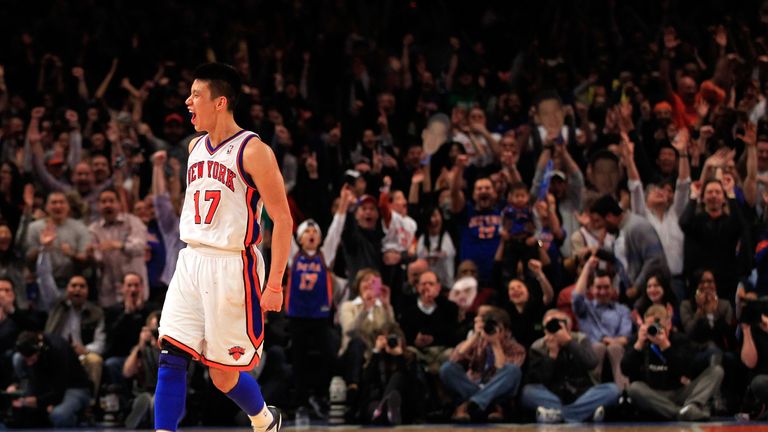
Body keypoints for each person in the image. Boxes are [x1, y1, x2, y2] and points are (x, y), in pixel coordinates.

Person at [155, 63, 292, 432]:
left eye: (195, 95)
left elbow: (282, 219)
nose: (188, 101)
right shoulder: (194, 146)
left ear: (220, 102)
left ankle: (264, 420)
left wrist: (275, 283)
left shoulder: (254, 150)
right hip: (191, 259)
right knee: (170, 355)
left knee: (223, 377)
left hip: (233, 265)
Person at [622, 305, 724, 421]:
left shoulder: (680, 340)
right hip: (653, 395)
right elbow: (625, 369)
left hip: (680, 391)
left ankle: (692, 405)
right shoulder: (639, 341)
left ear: (669, 325)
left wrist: (666, 346)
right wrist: (639, 344)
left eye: (658, 326)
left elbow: (686, 370)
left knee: (716, 371)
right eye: (650, 326)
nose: (654, 330)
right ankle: (681, 412)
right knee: (634, 388)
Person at [521, 309, 620, 423]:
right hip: (552, 395)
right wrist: (552, 354)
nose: (554, 329)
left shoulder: (579, 339)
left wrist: (569, 342)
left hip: (582, 393)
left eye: (557, 324)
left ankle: (558, 415)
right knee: (527, 392)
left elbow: (591, 363)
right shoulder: (538, 347)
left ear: (568, 326)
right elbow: (540, 379)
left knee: (612, 390)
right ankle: (583, 415)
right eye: (549, 326)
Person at [440, 305, 525, 422]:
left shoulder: (516, 349)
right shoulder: (477, 341)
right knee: (447, 368)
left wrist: (495, 344)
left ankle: (468, 405)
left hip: (497, 390)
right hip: (471, 386)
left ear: (507, 331)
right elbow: (454, 359)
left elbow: (502, 370)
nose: (492, 330)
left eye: (497, 328)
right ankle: (489, 406)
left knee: (513, 371)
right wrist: (475, 335)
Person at [572, 255, 632, 389]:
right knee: (598, 347)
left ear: (612, 289)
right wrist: (587, 268)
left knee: (615, 348)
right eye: (598, 287)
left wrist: (607, 341)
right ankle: (592, 392)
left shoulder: (622, 310)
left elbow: (625, 338)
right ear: (591, 289)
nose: (603, 291)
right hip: (592, 353)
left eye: (606, 287)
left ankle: (624, 394)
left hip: (616, 353)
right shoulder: (585, 308)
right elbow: (576, 297)